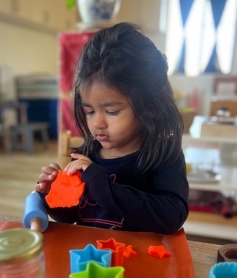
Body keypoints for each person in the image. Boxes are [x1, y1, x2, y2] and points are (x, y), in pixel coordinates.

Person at [36, 22, 189, 234]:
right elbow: (71, 215)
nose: (97, 123)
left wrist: (101, 184)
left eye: (112, 112)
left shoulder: (163, 155)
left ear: (149, 108)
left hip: (141, 259)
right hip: (91, 259)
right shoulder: (85, 155)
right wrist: (52, 194)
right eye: (89, 112)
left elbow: (172, 217)